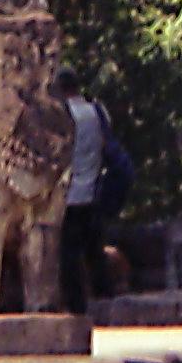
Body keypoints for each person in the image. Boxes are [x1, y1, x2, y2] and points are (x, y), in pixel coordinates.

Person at [60, 87, 135, 311]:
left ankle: (75, 305)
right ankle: (103, 300)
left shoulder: (60, 114)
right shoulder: (95, 111)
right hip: (92, 193)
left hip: (68, 195)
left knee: (69, 254)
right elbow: (112, 153)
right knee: (94, 250)